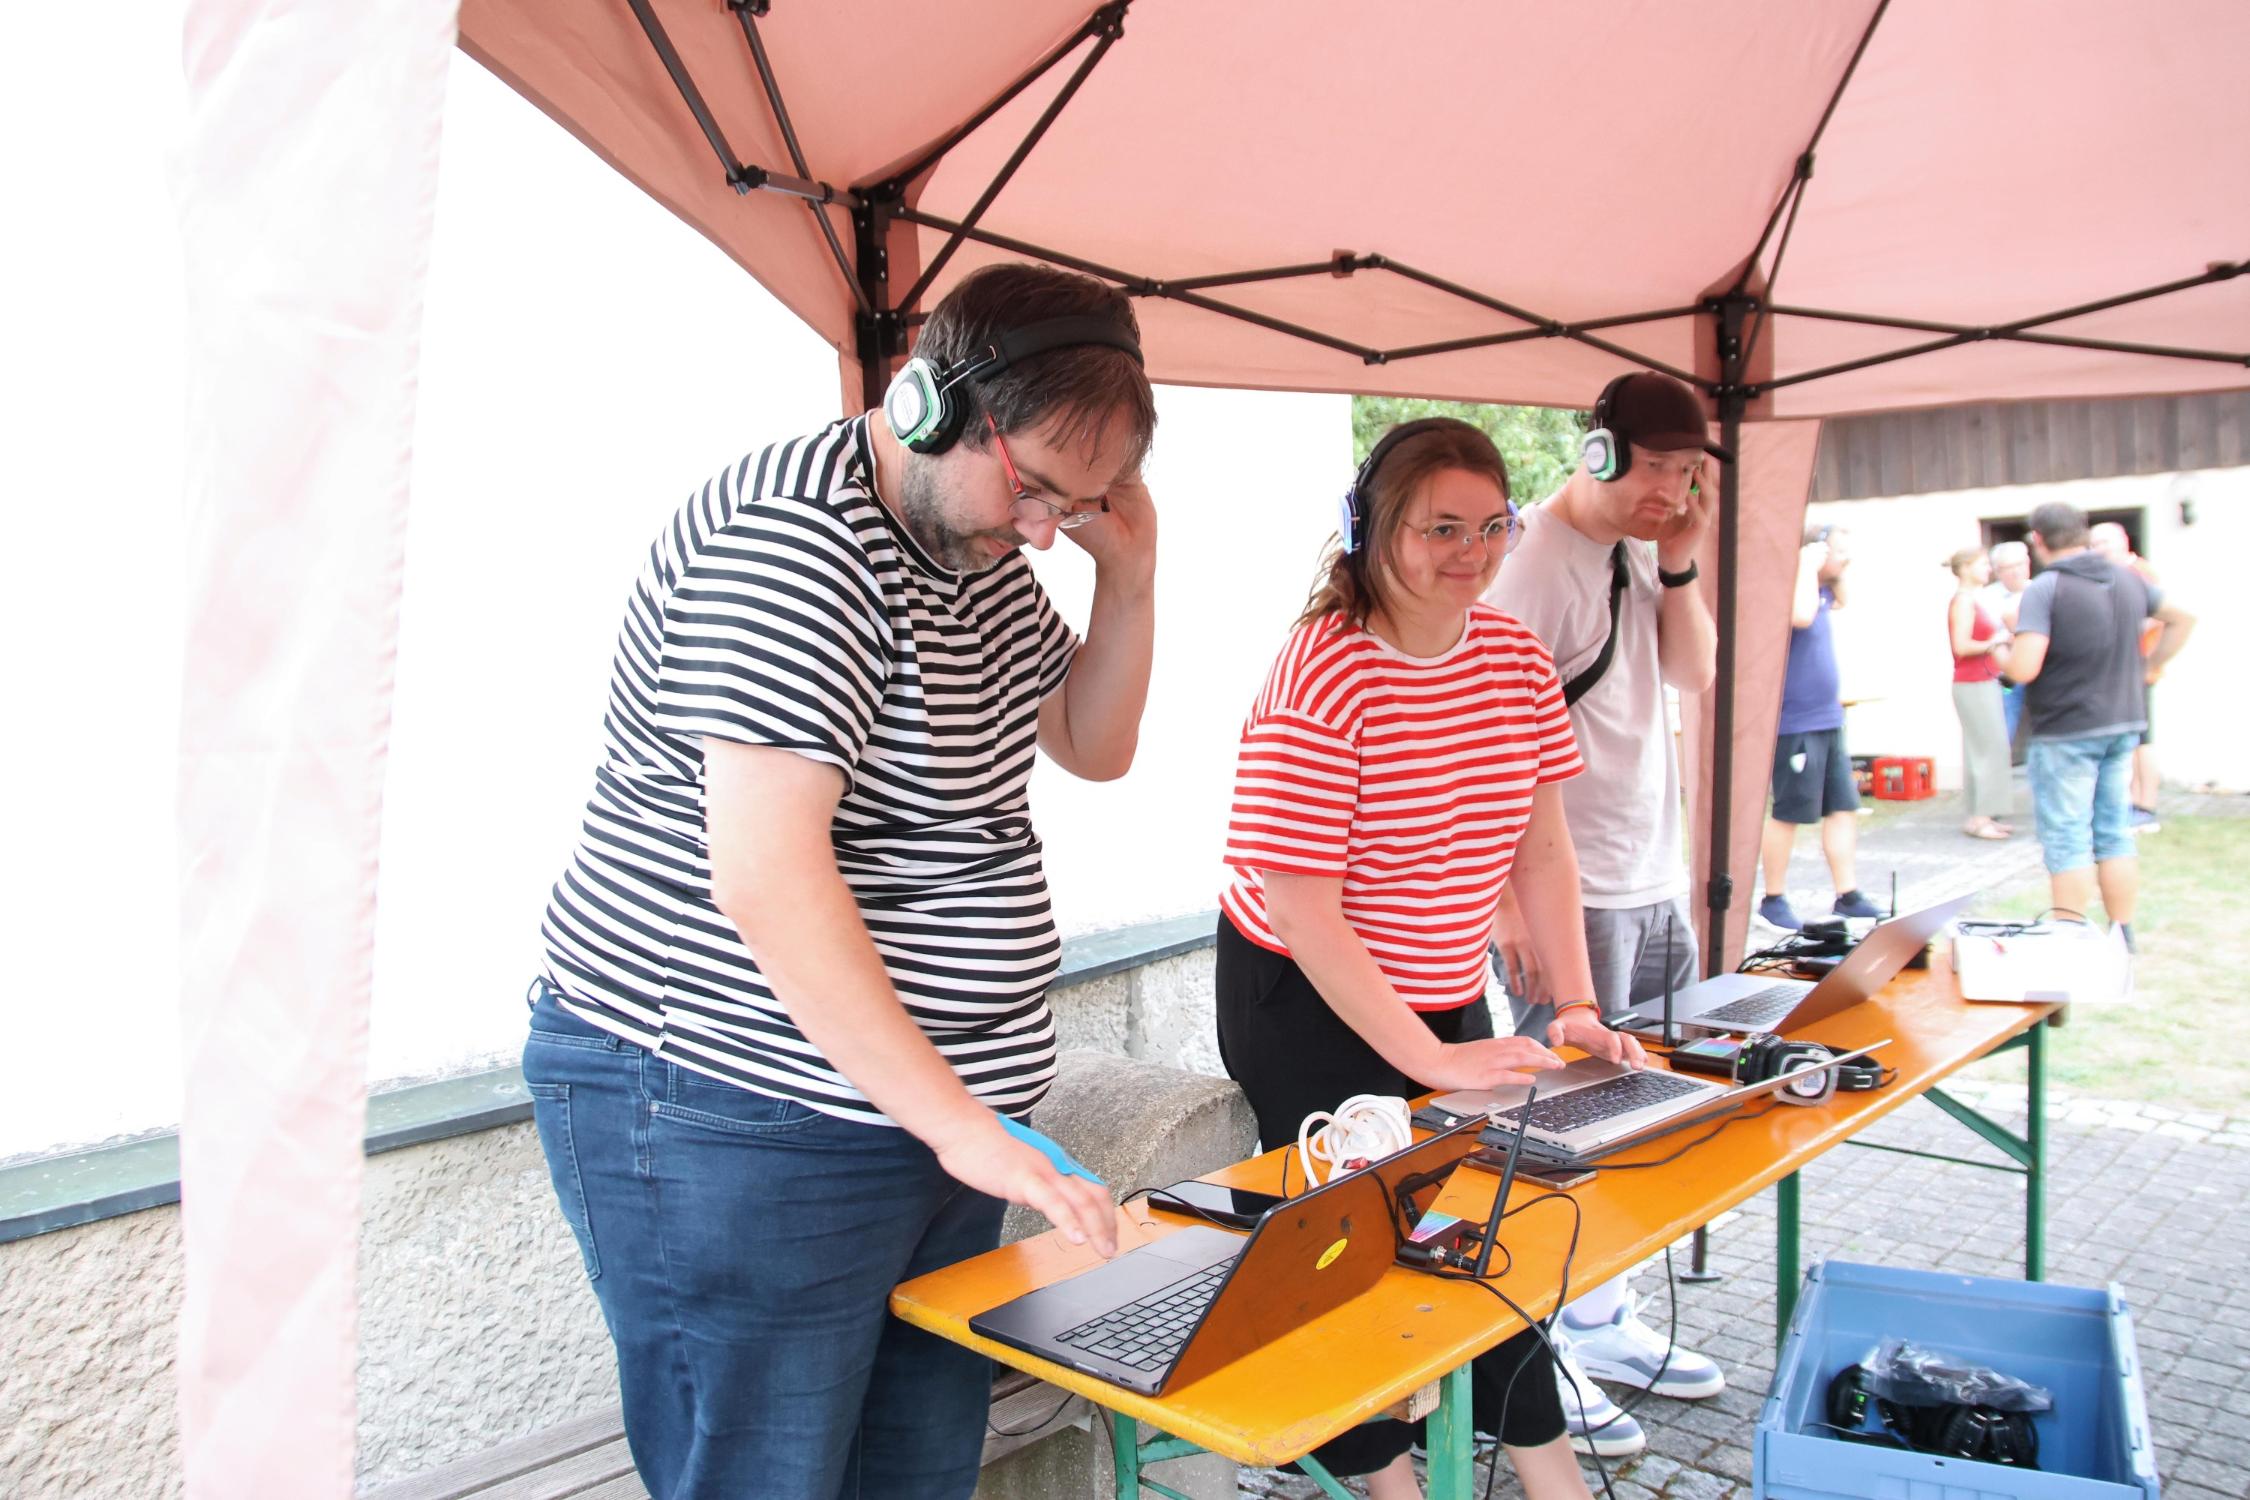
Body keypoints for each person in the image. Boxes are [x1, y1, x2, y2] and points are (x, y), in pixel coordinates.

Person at [522, 263, 1160, 1500]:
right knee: (769, 1477)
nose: (1041, 530)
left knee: (910, 1475)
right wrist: (967, 1128)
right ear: (929, 403)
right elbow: (767, 875)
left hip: (924, 1120)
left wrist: (1125, 580)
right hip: (736, 1105)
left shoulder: (975, 546)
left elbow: (1092, 744)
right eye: (1037, 488)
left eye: (1078, 507)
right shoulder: (794, 544)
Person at [1215, 417, 1645, 1500]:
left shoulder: (1509, 653)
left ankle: (1554, 1480)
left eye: (1492, 526)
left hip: (1445, 980)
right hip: (1302, 990)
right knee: (1352, 1250)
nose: (1472, 551)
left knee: (1475, 1240)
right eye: (1439, 527)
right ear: (1369, 531)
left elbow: (1542, 845)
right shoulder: (1322, 675)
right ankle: (1390, 1485)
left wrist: (1577, 1005)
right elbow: (1304, 910)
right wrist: (1437, 1062)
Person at [1483, 371, 1730, 1456]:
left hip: (1648, 869)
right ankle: (1539, 1348)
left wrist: (1678, 559)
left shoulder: (1642, 546)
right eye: (1662, 468)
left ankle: (1602, 1315)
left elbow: (1694, 674)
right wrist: (1502, 905)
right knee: (1551, 1130)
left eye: (1689, 472)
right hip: (1564, 892)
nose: (1674, 489)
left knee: (1636, 1118)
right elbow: (1482, 743)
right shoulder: (1532, 563)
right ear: (1601, 453)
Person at [2008, 502, 2193, 951]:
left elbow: (2024, 668)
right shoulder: (2128, 578)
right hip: (2122, 721)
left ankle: (2070, 940)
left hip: (2065, 729)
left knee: (2068, 835)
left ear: (2037, 540)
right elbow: (2184, 616)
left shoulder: (2046, 588)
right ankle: (2121, 934)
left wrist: (2004, 654)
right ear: (2083, 534)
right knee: (2113, 831)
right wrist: (2151, 665)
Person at [1759, 525, 1883, 930]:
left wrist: (1832, 563)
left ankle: (1847, 894)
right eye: (1839, 551)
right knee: (1790, 811)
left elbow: (1843, 597)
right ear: (1812, 552)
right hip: (1795, 722)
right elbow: (1799, 616)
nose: (1845, 559)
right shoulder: (1794, 589)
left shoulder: (1825, 590)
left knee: (1843, 808)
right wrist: (1807, 564)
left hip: (1828, 717)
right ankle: (1772, 899)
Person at [2089, 521, 2165, 830]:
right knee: (2129, 740)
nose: (2099, 550)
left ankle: (2147, 807)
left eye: (2104, 543)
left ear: (2123, 542)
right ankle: (2133, 803)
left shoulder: (2141, 574)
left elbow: (2157, 619)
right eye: (2094, 545)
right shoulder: (2111, 577)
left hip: (2138, 668)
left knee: (2142, 741)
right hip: (2121, 669)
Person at [1945, 546, 2015, 840]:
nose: (1989, 569)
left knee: (1985, 747)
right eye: (1983, 564)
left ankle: (1980, 815)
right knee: (1988, 748)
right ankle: (1981, 816)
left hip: (1983, 679)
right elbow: (1961, 646)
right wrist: (1995, 641)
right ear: (1965, 568)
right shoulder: (1963, 601)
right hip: (1972, 681)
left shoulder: (1974, 600)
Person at [1981, 539, 2032, 746]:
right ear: (1997, 571)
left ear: (2028, 563)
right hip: (2005, 676)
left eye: (2019, 564)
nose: (2015, 571)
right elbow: (1985, 634)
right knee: (2004, 722)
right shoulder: (1986, 598)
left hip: (2040, 671)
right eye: (2007, 567)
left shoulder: (2043, 590)